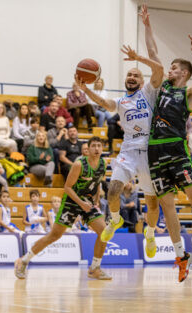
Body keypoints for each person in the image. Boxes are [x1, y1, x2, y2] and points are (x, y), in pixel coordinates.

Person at [141, 15, 192, 279]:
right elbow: (153, 52)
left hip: (177, 152)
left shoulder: (187, 94)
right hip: (156, 151)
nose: (170, 69)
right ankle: (181, 255)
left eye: (175, 67)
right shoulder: (163, 86)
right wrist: (148, 25)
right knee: (168, 207)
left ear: (184, 73)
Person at [75, 37, 164, 268]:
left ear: (142, 80)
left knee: (152, 205)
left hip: (149, 152)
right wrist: (85, 90)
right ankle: (115, 220)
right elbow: (104, 103)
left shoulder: (149, 92)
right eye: (128, 75)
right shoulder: (122, 100)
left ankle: (151, 232)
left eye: (135, 75)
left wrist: (138, 58)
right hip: (128, 150)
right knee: (113, 190)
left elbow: (158, 68)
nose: (131, 77)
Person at [15, 137, 113, 280]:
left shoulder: (103, 164)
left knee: (105, 232)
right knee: (54, 236)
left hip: (87, 203)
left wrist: (96, 201)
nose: (97, 149)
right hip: (72, 202)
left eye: (99, 146)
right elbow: (66, 188)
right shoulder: (79, 164)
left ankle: (94, 269)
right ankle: (24, 260)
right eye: (94, 146)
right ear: (88, 149)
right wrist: (81, 204)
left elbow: (97, 184)